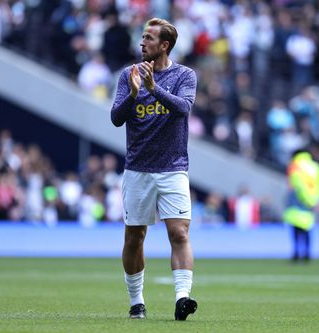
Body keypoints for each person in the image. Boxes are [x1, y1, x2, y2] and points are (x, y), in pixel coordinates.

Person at [110, 18, 198, 320]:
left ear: (164, 45)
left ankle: (182, 298)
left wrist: (152, 88)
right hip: (138, 169)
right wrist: (135, 93)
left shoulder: (185, 75)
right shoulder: (128, 76)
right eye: (142, 37)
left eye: (148, 38)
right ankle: (137, 301)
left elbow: (182, 109)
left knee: (179, 232)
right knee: (134, 236)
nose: (142, 42)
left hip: (173, 168)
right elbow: (116, 118)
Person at [283, 149, 319, 263]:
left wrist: (303, 198)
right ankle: (307, 253)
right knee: (307, 228)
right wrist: (313, 199)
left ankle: (296, 253)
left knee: (296, 228)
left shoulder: (295, 166)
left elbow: (297, 184)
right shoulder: (315, 166)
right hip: (311, 199)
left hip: (297, 200)